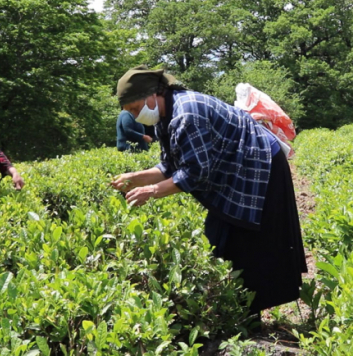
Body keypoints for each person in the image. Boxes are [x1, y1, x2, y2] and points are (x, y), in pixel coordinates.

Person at [110, 66, 307, 322]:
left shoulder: (186, 113)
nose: (136, 117)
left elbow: (194, 173)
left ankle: (248, 316)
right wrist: (135, 177)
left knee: (247, 238)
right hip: (236, 166)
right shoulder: (164, 117)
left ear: (154, 93)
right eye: (131, 113)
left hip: (259, 164)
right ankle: (241, 312)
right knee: (223, 237)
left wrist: (152, 191)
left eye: (136, 108)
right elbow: (169, 165)